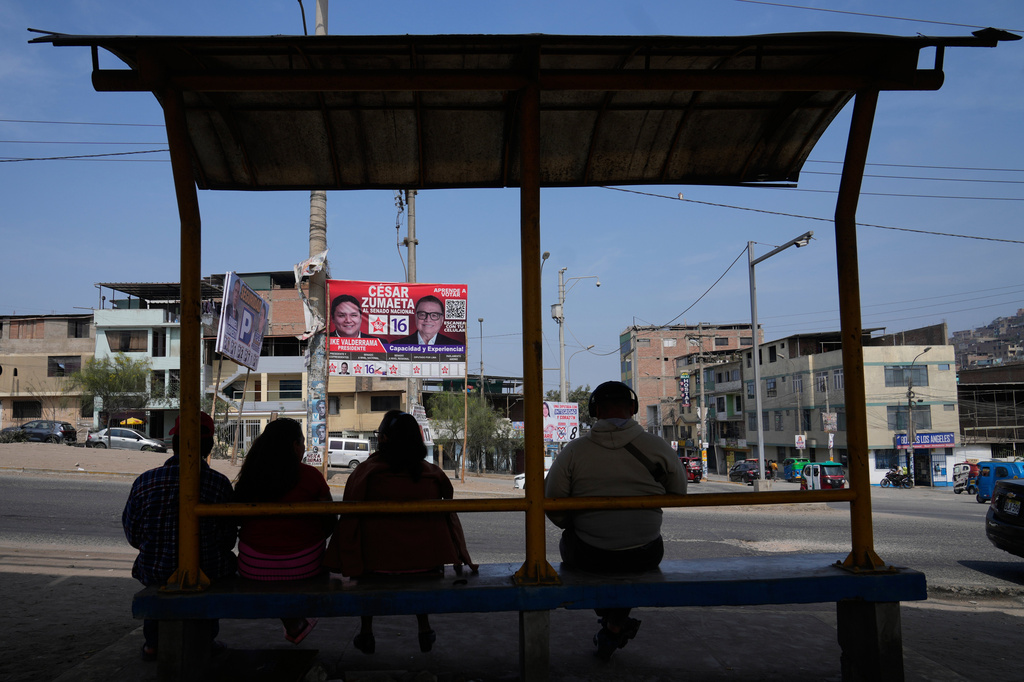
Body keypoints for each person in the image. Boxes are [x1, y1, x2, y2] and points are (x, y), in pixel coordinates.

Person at [544, 381, 687, 661]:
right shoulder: (657, 447)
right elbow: (679, 492)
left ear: (594, 410)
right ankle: (615, 622)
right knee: (631, 566)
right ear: (633, 408)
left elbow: (553, 504)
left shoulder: (573, 452)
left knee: (573, 546)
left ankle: (612, 619)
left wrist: (577, 523)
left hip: (587, 555)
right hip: (645, 554)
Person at [323, 410, 477, 654]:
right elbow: (449, 516)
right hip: (426, 565)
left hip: (374, 568)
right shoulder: (432, 475)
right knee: (420, 565)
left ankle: (366, 632)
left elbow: (349, 521)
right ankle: (424, 628)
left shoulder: (366, 473)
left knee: (367, 554)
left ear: (383, 439)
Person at [122, 411, 237, 662]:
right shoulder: (219, 484)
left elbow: (132, 534)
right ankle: (205, 640)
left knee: (159, 580)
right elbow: (229, 539)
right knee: (217, 569)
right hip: (208, 569)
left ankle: (153, 643)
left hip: (155, 568)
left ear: (173, 444)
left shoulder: (145, 481)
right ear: (208, 446)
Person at [233, 418, 335, 644]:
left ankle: (293, 621)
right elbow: (330, 521)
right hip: (305, 565)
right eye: (302, 442)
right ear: (293, 445)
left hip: (253, 566)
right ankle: (294, 620)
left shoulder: (251, 474)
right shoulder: (311, 475)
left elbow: (237, 518)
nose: (305, 448)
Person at [392, 295, 461, 346]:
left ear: (442, 320)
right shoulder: (397, 345)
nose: (428, 319)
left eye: (434, 315)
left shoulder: (455, 345)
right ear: (416, 317)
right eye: (422, 314)